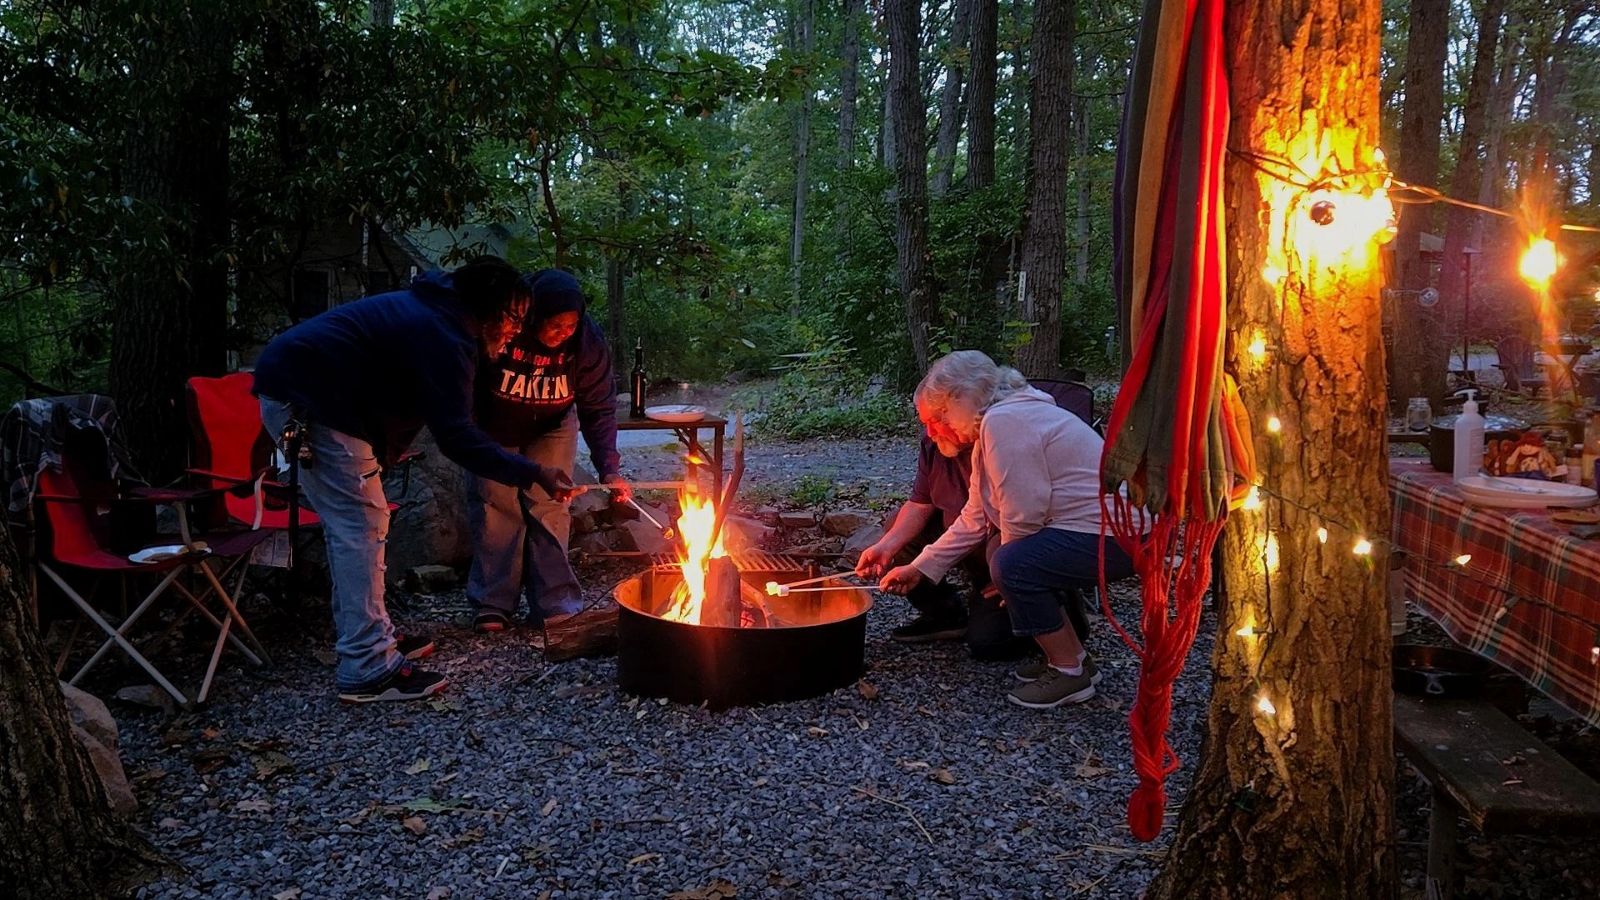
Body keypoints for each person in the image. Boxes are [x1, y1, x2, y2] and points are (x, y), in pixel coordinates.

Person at [253, 256, 575, 704]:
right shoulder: (444, 335)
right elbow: (457, 437)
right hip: (310, 402)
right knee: (360, 529)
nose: (517, 331)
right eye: (515, 319)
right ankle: (368, 667)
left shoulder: (437, 317)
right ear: (492, 311)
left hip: (315, 397)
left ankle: (373, 639)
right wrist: (532, 472)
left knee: (362, 524)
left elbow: (393, 392)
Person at [877, 350, 1134, 709]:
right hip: (1097, 532)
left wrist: (1007, 576)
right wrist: (920, 568)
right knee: (1009, 558)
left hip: (1116, 536)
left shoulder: (1006, 421)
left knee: (1010, 560)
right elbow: (975, 516)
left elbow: (1024, 513)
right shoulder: (998, 424)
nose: (932, 430)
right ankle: (1076, 661)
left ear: (962, 399)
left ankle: (1069, 674)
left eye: (937, 417)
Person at [467, 269, 629, 633]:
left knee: (552, 504)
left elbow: (599, 408)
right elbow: (467, 380)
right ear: (533, 316)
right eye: (555, 325)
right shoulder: (505, 329)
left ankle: (555, 602)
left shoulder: (587, 343)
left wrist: (609, 468)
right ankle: (493, 601)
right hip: (494, 426)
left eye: (570, 326)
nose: (562, 334)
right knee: (495, 506)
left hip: (553, 424)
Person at [854, 432, 1030, 660]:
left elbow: (1024, 518)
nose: (929, 428)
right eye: (926, 420)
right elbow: (920, 503)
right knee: (896, 527)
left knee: (990, 645)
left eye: (936, 418)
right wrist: (886, 547)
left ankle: (1059, 611)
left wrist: (1014, 572)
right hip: (960, 535)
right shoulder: (934, 443)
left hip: (1003, 550)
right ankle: (945, 614)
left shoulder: (996, 445)